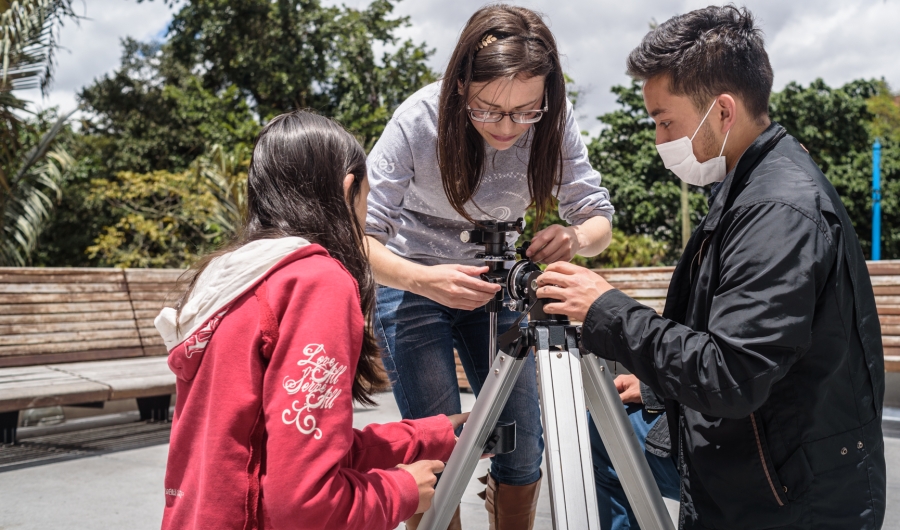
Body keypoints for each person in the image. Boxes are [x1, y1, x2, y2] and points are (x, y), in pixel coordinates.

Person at [535, 6, 886, 530]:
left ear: (723, 111)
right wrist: (656, 387)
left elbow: (730, 375)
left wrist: (605, 309)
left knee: (597, 438)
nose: (659, 140)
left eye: (665, 121)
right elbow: (753, 342)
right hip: (764, 453)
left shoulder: (775, 211)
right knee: (599, 430)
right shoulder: (751, 184)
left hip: (788, 494)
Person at [365, 5, 615, 529]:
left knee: (523, 444)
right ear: (460, 86)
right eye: (490, 110)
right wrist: (422, 279)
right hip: (412, 289)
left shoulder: (555, 123)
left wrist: (572, 236)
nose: (509, 127)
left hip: (500, 292)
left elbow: (598, 222)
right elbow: (358, 238)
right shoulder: (417, 121)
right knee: (437, 445)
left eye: (527, 112)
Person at [155, 111, 467, 530]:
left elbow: (280, 449)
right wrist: (401, 491)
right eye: (367, 199)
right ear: (347, 189)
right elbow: (304, 505)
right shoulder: (315, 282)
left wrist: (428, 438)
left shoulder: (229, 279)